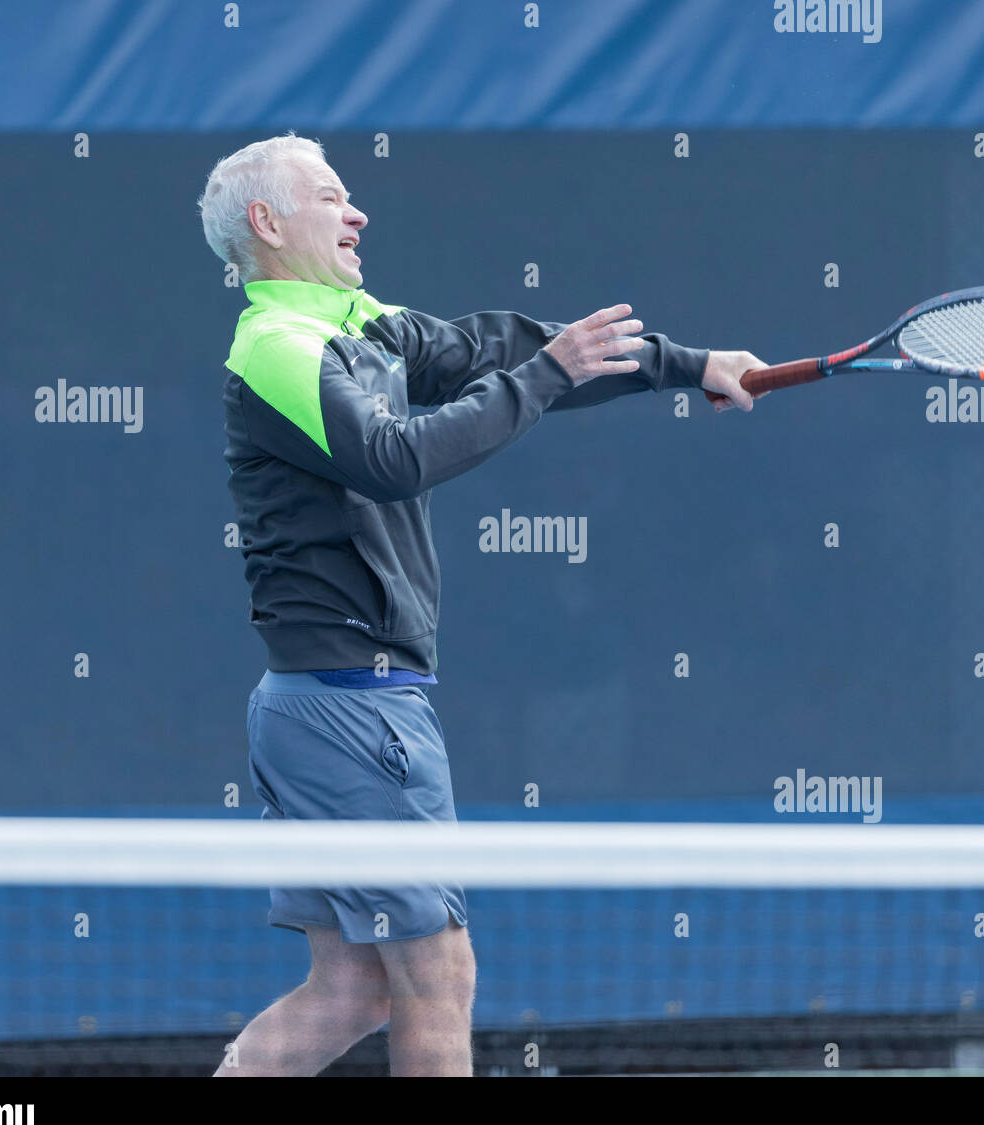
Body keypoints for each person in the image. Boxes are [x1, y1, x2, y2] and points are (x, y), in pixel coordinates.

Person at [197, 132, 764, 1076]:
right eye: (332, 196)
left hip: (330, 702)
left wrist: (689, 363)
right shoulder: (277, 347)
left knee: (354, 988)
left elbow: (495, 353)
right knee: (438, 974)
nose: (357, 212)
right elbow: (393, 458)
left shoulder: (362, 324)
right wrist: (545, 375)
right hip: (351, 705)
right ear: (267, 221)